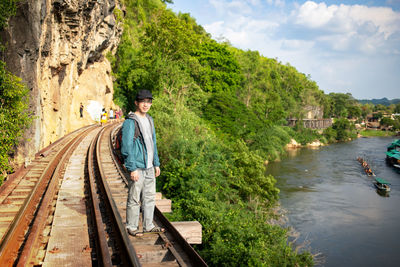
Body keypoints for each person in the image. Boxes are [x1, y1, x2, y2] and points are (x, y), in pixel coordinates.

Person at [121, 89, 163, 236]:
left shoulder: (150, 120)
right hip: (138, 167)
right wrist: (132, 168)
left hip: (150, 166)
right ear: (136, 103)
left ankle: (148, 225)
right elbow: (126, 146)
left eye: (148, 102)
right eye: (143, 102)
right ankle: (132, 226)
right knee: (134, 198)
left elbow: (153, 143)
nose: (146, 105)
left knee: (149, 197)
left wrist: (156, 163)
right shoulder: (130, 122)